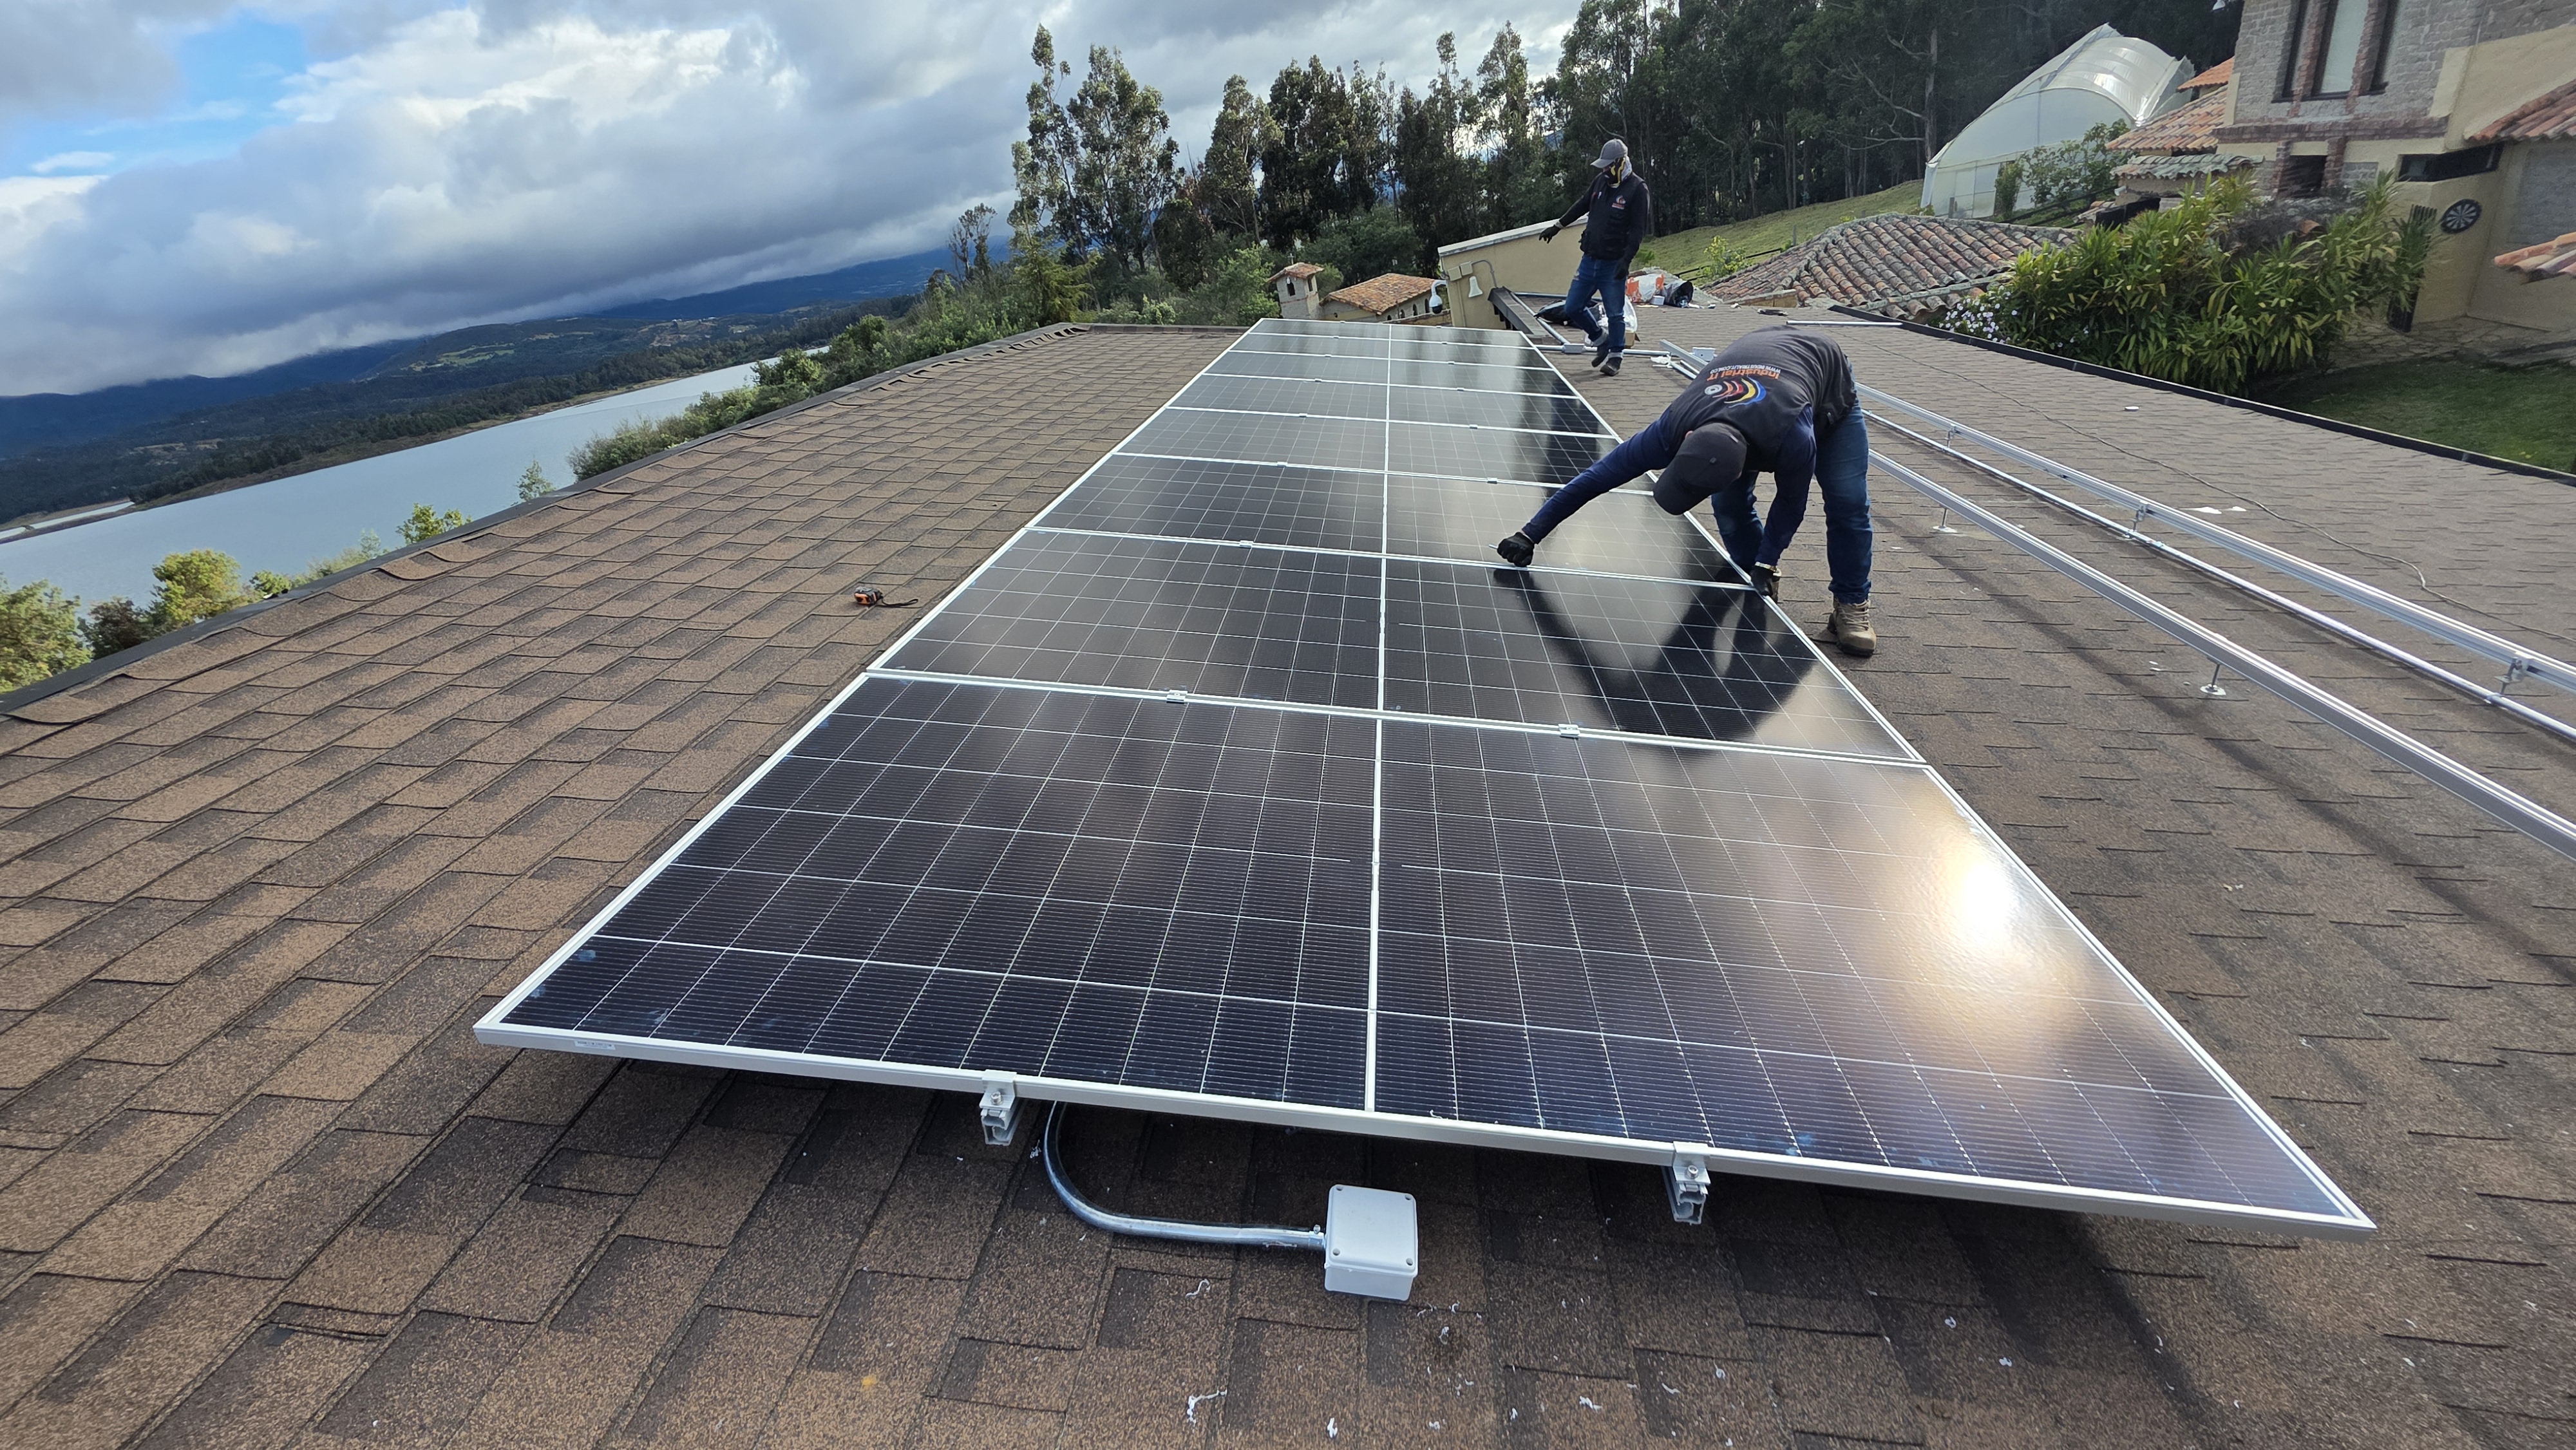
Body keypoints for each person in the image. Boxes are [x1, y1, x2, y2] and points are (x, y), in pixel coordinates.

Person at [1493, 325, 1879, 657]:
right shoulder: (1674, 425)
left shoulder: (1794, 437)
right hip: (1759, 368)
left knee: (1847, 501)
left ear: (1743, 468)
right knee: (1729, 507)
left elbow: (1792, 504)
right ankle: (1753, 577)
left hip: (1826, 390)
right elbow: (1597, 477)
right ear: (1687, 440)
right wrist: (1530, 533)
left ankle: (1850, 601)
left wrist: (1769, 559)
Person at [1541, 139, 1653, 377]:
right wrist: (1558, 226)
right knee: (1573, 306)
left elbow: (1637, 230)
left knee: (1615, 313)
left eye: (1607, 166)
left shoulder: (1637, 189)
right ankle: (1599, 339)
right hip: (1590, 260)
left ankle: (1615, 356)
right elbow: (1582, 205)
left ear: (1620, 164)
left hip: (1613, 264)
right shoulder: (1601, 182)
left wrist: (1626, 261)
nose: (1603, 171)